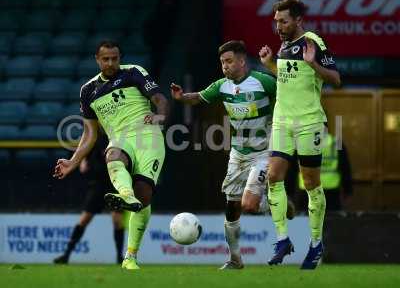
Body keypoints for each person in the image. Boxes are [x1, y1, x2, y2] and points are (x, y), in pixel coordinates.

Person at [171, 40, 294, 270]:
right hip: (238, 153)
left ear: (241, 61)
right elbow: (199, 96)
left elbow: (289, 94)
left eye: (228, 61)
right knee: (232, 208)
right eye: (222, 62)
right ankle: (235, 259)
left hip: (264, 152)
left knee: (248, 205)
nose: (224, 66)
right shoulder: (222, 86)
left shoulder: (263, 81)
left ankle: (275, 204)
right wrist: (181, 97)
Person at [53, 40, 169, 271]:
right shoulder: (88, 90)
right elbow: (89, 134)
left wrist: (160, 116)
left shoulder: (134, 72)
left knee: (144, 196)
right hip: (120, 138)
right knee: (113, 154)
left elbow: (160, 100)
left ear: (119, 57)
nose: (111, 63)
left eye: (114, 58)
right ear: (97, 59)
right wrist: (73, 162)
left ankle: (130, 256)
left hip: (148, 137)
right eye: (105, 59)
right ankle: (125, 194)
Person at [259, 0, 341, 269]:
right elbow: (289, 80)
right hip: (282, 121)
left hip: (309, 123)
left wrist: (313, 64)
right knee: (273, 176)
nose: (278, 26)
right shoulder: (283, 46)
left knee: (310, 183)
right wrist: (271, 64)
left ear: (297, 20)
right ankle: (283, 239)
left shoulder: (313, 42)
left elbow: (336, 80)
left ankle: (315, 244)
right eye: (276, 22)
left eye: (283, 21)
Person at [53, 130, 125, 264]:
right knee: (84, 219)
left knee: (117, 220)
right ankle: (66, 255)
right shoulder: (94, 136)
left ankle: (120, 258)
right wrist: (83, 162)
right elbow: (85, 152)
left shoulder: (119, 135)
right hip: (98, 184)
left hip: (115, 183)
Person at [296, 132, 353, 211]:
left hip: (307, 191)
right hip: (330, 191)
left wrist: (289, 191)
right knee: (331, 220)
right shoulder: (335, 143)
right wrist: (348, 191)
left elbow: (292, 170)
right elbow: (345, 168)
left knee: (307, 220)